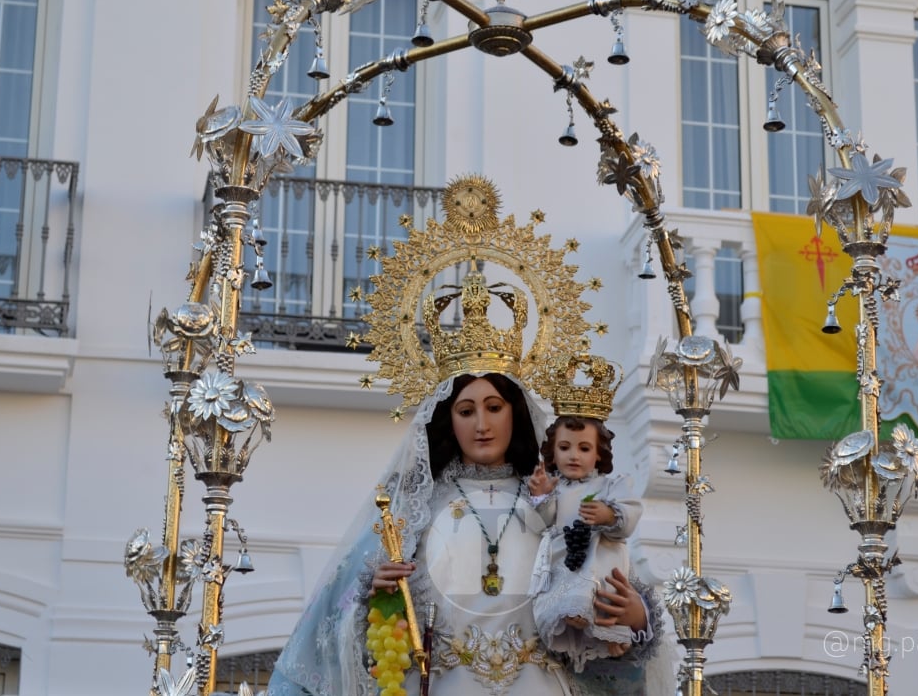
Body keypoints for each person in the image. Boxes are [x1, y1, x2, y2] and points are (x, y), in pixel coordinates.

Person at [265, 176, 670, 696]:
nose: (481, 423)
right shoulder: (413, 510)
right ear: (445, 419)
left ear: (516, 413)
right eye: (465, 409)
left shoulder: (563, 499)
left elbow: (613, 607)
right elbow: (337, 631)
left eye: (495, 407)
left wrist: (636, 619)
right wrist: (380, 595)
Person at [527, 410, 643, 671]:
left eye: (584, 448)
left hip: (599, 552)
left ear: (599, 454)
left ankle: (613, 637)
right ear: (552, 453)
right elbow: (541, 522)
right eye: (565, 447)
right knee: (562, 595)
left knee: (604, 594)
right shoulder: (555, 487)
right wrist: (540, 497)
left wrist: (609, 514)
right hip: (564, 554)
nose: (574, 455)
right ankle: (573, 626)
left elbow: (630, 515)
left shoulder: (610, 486)